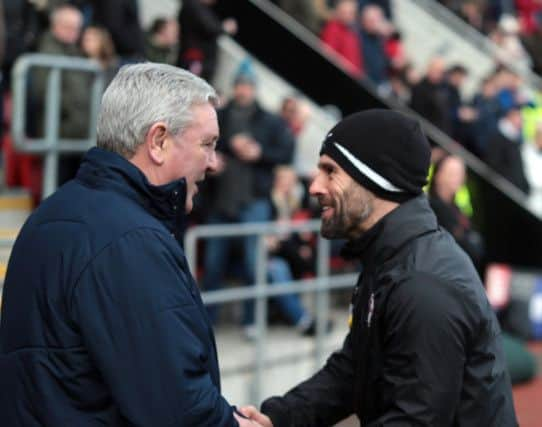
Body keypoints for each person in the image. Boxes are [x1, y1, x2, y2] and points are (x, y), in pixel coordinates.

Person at [0, 63, 262, 427]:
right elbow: (176, 409)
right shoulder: (130, 241)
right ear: (158, 141)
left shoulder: (50, 214)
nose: (214, 163)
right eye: (207, 144)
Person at [239, 109, 518, 426]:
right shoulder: (388, 258)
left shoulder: (423, 284)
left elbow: (414, 419)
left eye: (330, 171)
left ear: (374, 180)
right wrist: (278, 417)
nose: (315, 186)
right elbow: (354, 369)